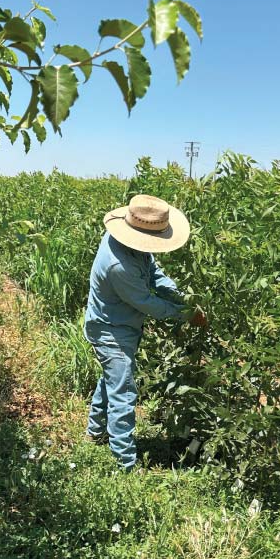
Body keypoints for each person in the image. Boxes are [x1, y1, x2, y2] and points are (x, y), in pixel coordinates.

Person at [84, 194, 207, 470]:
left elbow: (155, 274)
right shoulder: (119, 266)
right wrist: (186, 316)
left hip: (121, 324)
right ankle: (125, 462)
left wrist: (185, 298)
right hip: (110, 331)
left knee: (112, 379)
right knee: (123, 391)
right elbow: (148, 303)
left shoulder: (132, 245)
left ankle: (95, 432)